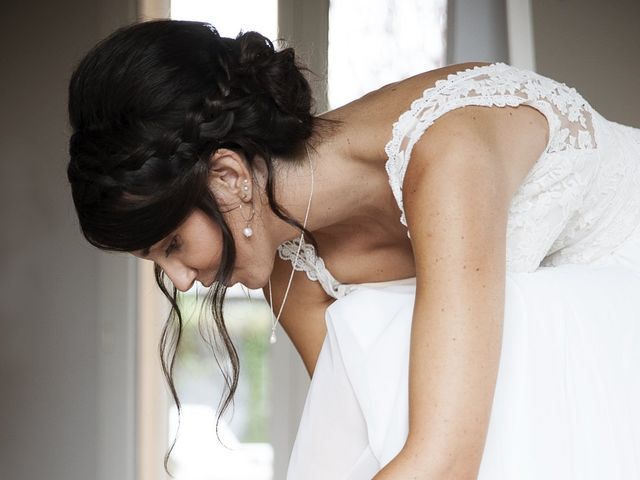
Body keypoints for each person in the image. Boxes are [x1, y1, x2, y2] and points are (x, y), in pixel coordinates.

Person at [66, 19, 640, 480]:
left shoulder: (445, 156)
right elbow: (373, 440)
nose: (183, 280)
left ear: (227, 176)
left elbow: (443, 463)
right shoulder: (292, 271)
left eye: (173, 244)